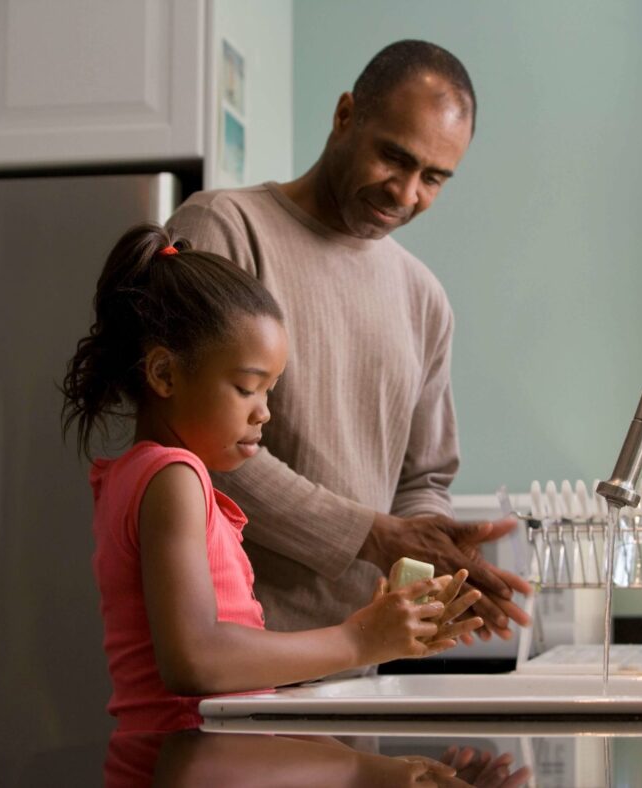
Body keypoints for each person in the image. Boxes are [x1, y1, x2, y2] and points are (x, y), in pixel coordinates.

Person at [167, 39, 531, 644]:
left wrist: (432, 555)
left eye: (434, 178)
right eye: (394, 157)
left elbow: (423, 480)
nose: (406, 193)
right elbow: (193, 443)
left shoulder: (424, 298)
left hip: (357, 659)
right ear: (344, 117)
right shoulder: (223, 230)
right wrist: (374, 535)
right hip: (229, 653)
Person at [61, 223, 482, 732]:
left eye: (270, 392)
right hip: (182, 764)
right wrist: (357, 640)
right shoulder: (174, 477)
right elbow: (197, 659)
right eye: (246, 388)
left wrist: (374, 633)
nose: (264, 414)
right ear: (165, 375)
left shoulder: (139, 474)